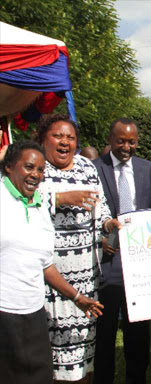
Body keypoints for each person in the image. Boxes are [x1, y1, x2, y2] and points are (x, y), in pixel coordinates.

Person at [0, 140, 103, 384]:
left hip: (34, 314)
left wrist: (77, 297)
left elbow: (45, 264)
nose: (35, 175)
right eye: (28, 167)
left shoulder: (38, 206)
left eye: (40, 170)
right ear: (9, 167)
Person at [34, 114, 119, 384]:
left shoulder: (86, 166)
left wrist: (107, 224)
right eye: (58, 136)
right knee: (49, 351)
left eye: (70, 137)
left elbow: (100, 204)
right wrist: (60, 198)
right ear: (42, 139)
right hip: (47, 277)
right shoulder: (36, 167)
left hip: (85, 275)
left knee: (82, 347)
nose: (65, 142)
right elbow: (23, 200)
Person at [93, 118, 151, 384]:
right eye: (121, 141)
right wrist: (100, 237)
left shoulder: (146, 169)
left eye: (131, 142)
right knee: (105, 329)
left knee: (138, 329)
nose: (126, 147)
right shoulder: (95, 168)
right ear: (110, 139)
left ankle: (136, 377)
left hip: (139, 260)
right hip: (107, 260)